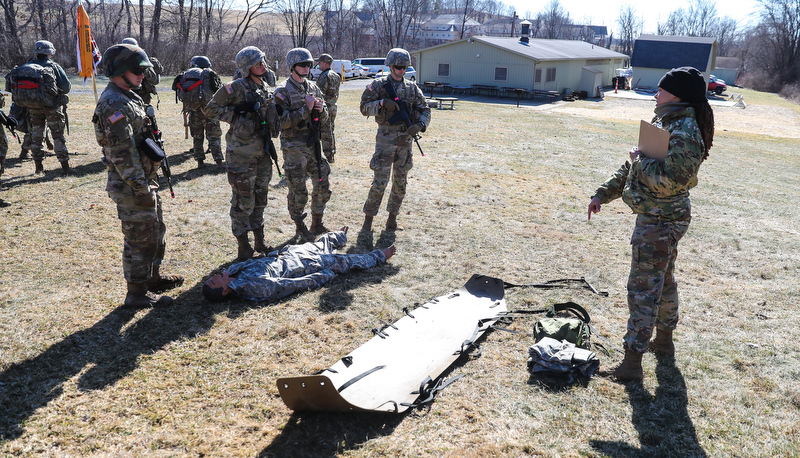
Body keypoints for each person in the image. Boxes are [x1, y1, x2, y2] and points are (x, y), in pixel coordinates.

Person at [587, 66, 715, 382]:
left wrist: (639, 159)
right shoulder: (665, 122)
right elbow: (633, 166)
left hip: (661, 219)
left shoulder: (683, 131)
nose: (656, 94)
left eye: (661, 89)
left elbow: (668, 181)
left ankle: (631, 365)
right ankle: (664, 343)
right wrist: (603, 193)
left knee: (644, 287)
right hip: (658, 217)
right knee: (663, 280)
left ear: (678, 95)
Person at [93, 43, 184, 308]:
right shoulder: (113, 104)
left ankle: (152, 278)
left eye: (143, 69)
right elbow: (122, 153)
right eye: (137, 70)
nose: (142, 75)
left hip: (145, 180)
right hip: (132, 185)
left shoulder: (130, 96)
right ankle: (136, 293)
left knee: (155, 231)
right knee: (138, 240)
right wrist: (141, 187)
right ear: (120, 71)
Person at [204, 46, 279, 261]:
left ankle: (260, 241)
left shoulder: (265, 86)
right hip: (241, 155)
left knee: (260, 198)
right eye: (257, 63)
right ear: (247, 68)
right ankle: (243, 247)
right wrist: (235, 116)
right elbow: (209, 109)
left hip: (262, 152)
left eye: (263, 61)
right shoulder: (234, 88)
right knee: (243, 201)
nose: (262, 65)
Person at [202, 226, 395, 302]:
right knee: (343, 261)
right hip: (306, 265)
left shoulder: (232, 273)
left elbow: (253, 263)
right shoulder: (253, 286)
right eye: (215, 282)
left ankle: (340, 234)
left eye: (212, 278)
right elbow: (293, 285)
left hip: (290, 255)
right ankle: (379, 256)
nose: (215, 276)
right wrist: (323, 275)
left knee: (322, 242)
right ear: (226, 291)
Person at [359, 48, 430, 232]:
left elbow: (425, 109)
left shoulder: (412, 87)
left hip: (405, 140)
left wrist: (420, 124)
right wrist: (381, 103)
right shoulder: (379, 85)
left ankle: (392, 219)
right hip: (385, 138)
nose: (401, 70)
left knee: (401, 182)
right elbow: (363, 107)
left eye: (405, 67)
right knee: (380, 182)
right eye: (398, 67)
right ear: (390, 66)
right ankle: (368, 220)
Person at [274, 48, 331, 239]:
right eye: (302, 64)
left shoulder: (313, 88)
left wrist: (321, 110)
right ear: (292, 67)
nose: (307, 68)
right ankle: (299, 225)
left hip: (313, 143)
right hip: (293, 146)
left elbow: (325, 118)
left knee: (323, 182)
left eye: (309, 64)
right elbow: (281, 122)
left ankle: (317, 222)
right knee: (298, 189)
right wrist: (305, 110)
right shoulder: (282, 90)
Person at [14, 40, 71, 174]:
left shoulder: (26, 65)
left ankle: (38, 166)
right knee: (57, 135)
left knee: (36, 135)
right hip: (52, 107)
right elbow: (66, 87)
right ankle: (65, 167)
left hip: (32, 107)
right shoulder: (53, 66)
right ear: (50, 52)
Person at [174, 55, 223, 167]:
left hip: (193, 110)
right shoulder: (209, 74)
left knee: (197, 136)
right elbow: (218, 90)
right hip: (209, 111)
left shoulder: (187, 74)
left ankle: (200, 161)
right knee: (214, 135)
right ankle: (219, 161)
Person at [121, 38, 163, 107]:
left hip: (142, 98)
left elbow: (155, 80)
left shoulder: (143, 62)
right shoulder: (119, 63)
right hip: (124, 97)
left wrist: (143, 69)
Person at [315, 53, 340, 163]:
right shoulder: (336, 75)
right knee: (330, 130)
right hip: (333, 106)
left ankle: (328, 156)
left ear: (325, 63)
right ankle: (331, 153)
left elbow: (319, 94)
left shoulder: (324, 76)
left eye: (320, 62)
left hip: (326, 108)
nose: (318, 65)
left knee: (325, 132)